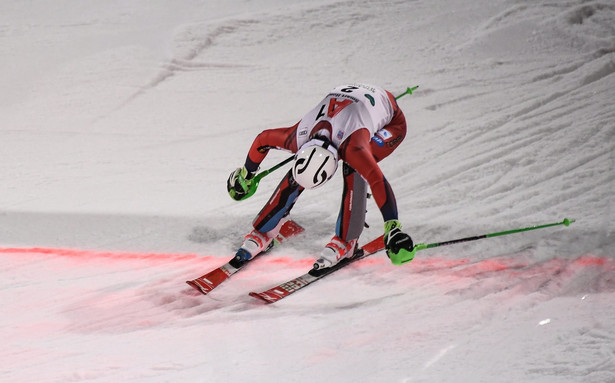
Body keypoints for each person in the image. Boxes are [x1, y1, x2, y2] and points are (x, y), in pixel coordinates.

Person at [227, 83, 415, 269]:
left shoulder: (353, 147)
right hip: (354, 102)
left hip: (391, 122)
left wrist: (393, 227)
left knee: (355, 167)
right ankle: (267, 226)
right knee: (301, 171)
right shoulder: (298, 137)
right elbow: (263, 140)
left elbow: (376, 179)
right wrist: (247, 174)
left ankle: (346, 241)